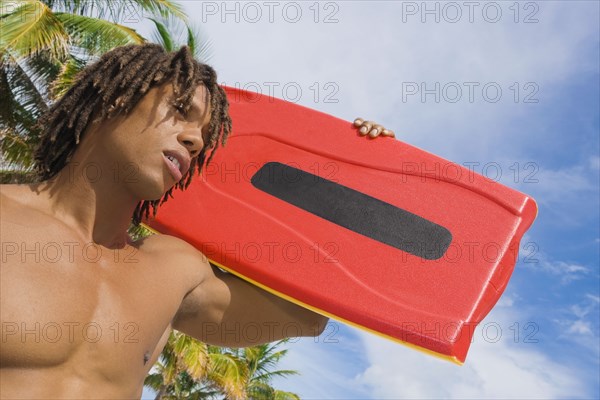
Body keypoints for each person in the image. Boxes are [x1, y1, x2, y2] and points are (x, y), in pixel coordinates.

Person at [0, 44, 394, 398]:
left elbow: (310, 315)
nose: (196, 140)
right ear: (115, 100)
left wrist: (358, 174)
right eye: (180, 111)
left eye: (205, 133)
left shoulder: (172, 270)